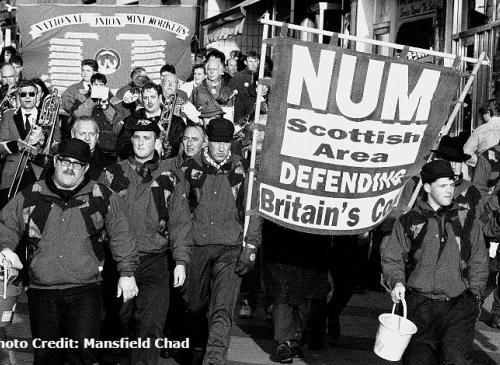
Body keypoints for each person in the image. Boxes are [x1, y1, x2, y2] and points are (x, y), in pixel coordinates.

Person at [0, 138, 139, 365]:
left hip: (85, 290)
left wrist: (127, 273)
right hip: (42, 290)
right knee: (46, 357)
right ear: (56, 161)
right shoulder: (34, 194)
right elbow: (6, 223)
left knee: (83, 354)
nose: (70, 168)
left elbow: (122, 234)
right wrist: (6, 248)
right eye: (65, 161)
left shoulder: (100, 196)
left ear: (85, 169)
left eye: (77, 164)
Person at [101, 118, 191, 365]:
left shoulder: (169, 177)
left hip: (155, 261)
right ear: (131, 140)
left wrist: (181, 260)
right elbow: (97, 218)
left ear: (157, 142)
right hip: (118, 262)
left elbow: (180, 221)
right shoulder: (112, 174)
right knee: (116, 324)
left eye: (147, 138)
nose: (141, 143)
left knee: (151, 327)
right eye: (137, 137)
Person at [382, 159, 488, 365]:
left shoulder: (467, 220)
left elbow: (479, 259)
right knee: (419, 360)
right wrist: (396, 281)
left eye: (451, 185)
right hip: (419, 307)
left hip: (458, 306)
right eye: (442, 186)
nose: (449, 190)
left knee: (457, 360)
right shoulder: (409, 221)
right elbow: (392, 256)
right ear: (428, 187)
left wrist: (476, 295)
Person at [183, 117, 262, 365]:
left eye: (225, 143)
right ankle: (197, 343)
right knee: (194, 305)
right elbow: (179, 211)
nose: (220, 148)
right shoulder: (190, 168)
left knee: (223, 307)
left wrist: (251, 244)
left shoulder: (242, 169)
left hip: (230, 246)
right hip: (198, 245)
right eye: (216, 142)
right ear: (207, 141)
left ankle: (214, 357)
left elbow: (253, 210)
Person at [0, 81, 46, 208]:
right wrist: (17, 145)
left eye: (31, 94)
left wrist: (42, 139)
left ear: (37, 96)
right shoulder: (8, 115)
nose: (27, 97)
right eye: (23, 94)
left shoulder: (47, 116)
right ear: (18, 97)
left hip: (38, 171)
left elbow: (56, 145)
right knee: (7, 208)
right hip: (13, 171)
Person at [72, 73, 121, 155]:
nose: (98, 87)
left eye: (101, 85)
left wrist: (106, 107)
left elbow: (116, 121)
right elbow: (79, 116)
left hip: (107, 147)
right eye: (95, 85)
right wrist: (92, 100)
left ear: (105, 87)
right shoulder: (82, 98)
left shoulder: (112, 100)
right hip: (86, 145)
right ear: (90, 85)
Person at [463, 99, 500, 168]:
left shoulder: (480, 130)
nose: (482, 118)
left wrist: (480, 162)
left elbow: (466, 152)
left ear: (488, 113)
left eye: (483, 114)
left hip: (487, 172)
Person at [228, 50, 259, 124]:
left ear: (258, 62)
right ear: (245, 62)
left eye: (255, 61)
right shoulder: (238, 76)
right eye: (250, 61)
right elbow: (229, 93)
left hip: (256, 113)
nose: (253, 64)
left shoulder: (261, 76)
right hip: (241, 113)